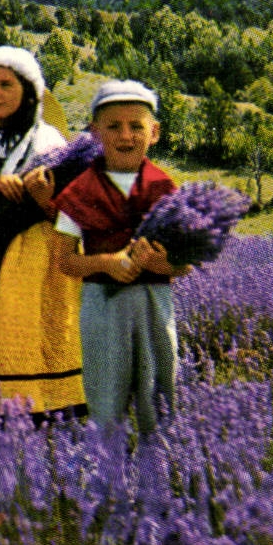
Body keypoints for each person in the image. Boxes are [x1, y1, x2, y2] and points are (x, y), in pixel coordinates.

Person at [0, 46, 85, 418]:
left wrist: (42, 197)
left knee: (33, 337)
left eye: (6, 84)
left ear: (27, 89)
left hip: (38, 255)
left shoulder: (50, 142)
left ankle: (46, 418)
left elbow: (69, 217)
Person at [49, 79, 190, 438]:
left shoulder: (166, 189)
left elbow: (185, 261)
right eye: (113, 126)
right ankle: (107, 472)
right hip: (102, 304)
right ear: (96, 133)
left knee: (159, 388)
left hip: (154, 303)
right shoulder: (79, 191)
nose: (125, 135)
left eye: (136, 126)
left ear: (154, 132)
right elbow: (64, 260)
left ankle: (158, 470)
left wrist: (163, 264)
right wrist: (106, 263)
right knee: (105, 389)